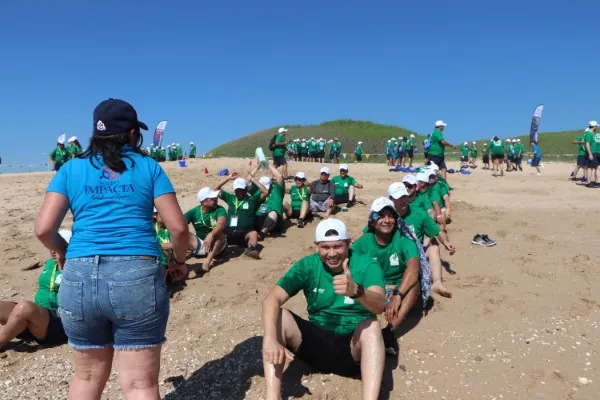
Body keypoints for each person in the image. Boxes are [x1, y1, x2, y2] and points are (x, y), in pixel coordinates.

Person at [34, 98, 189, 400]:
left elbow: (43, 228)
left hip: (78, 275)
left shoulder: (71, 169)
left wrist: (61, 251)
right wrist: (178, 260)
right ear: (133, 134)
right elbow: (179, 228)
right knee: (140, 385)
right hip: (137, 274)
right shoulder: (148, 167)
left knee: (87, 377)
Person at [261, 218, 385, 400]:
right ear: (317, 246)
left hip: (352, 348)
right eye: (325, 247)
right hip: (316, 345)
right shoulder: (308, 265)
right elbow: (271, 299)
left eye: (338, 246)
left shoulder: (366, 264)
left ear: (348, 244)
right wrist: (271, 339)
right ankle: (273, 397)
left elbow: (380, 305)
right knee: (278, 316)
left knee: (372, 327)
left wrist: (357, 291)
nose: (332, 253)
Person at [351, 198, 420, 356]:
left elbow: (414, 268)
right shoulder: (363, 242)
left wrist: (397, 295)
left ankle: (389, 331)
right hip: (374, 289)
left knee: (414, 284)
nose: (387, 220)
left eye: (391, 216)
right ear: (373, 221)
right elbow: (349, 264)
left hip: (397, 289)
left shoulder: (403, 240)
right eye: (381, 216)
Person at [0, 229, 71, 350]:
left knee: (25, 308)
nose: (53, 250)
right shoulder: (50, 263)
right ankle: (21, 327)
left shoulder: (77, 267)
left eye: (58, 246)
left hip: (58, 324)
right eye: (51, 246)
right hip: (38, 319)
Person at [387, 184, 454, 299]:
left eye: (404, 197)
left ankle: (437, 282)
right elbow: (368, 233)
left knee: (434, 248)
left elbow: (436, 230)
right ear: (391, 199)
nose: (402, 201)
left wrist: (446, 243)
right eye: (398, 198)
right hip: (395, 254)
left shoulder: (418, 213)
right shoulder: (386, 216)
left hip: (415, 254)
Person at [214, 171, 268, 259]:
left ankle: (251, 250)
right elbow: (214, 190)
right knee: (217, 233)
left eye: (242, 189)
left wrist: (252, 179)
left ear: (246, 189)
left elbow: (265, 192)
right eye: (237, 189)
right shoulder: (230, 198)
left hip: (245, 234)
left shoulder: (252, 199)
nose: (239, 192)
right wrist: (227, 178)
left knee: (254, 234)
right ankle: (217, 250)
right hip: (229, 232)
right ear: (234, 190)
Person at [183, 187, 228, 272]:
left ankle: (207, 261)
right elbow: (180, 224)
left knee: (220, 235)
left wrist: (211, 235)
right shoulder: (194, 211)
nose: (216, 200)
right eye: (213, 199)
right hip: (201, 245)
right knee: (182, 232)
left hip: (218, 247)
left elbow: (221, 224)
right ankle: (180, 259)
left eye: (216, 198)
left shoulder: (220, 209)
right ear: (203, 202)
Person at [251, 164, 286, 240]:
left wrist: (268, 164)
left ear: (271, 185)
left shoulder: (277, 191)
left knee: (273, 213)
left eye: (266, 186)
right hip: (258, 218)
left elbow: (280, 177)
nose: (264, 189)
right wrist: (257, 167)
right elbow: (248, 180)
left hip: (273, 222)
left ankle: (262, 233)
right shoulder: (257, 191)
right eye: (262, 186)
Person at [584, 121, 599, 187]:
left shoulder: (591, 133)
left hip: (593, 152)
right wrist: (590, 154)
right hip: (592, 152)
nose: (596, 128)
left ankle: (593, 182)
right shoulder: (589, 134)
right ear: (594, 126)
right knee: (590, 168)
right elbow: (587, 144)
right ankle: (588, 183)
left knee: (594, 167)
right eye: (596, 126)